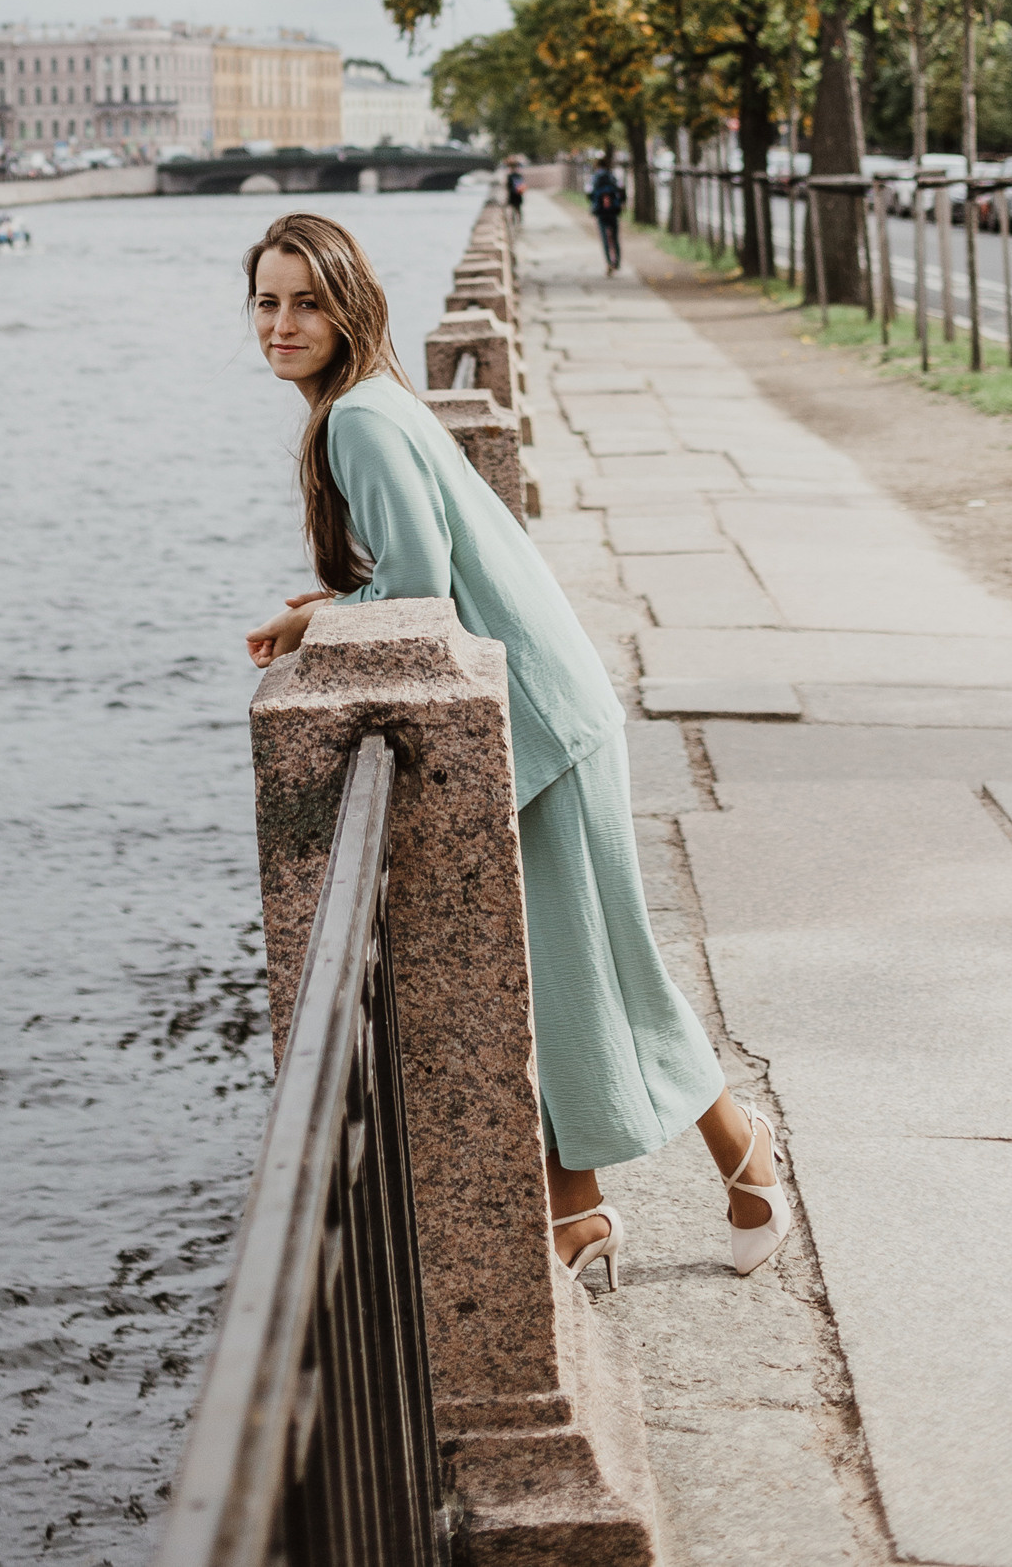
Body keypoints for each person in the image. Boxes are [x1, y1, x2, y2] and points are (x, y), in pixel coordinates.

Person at [242, 211, 791, 1293]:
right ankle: (579, 1206)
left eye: (305, 300)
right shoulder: (369, 404)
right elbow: (414, 566)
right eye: (265, 300)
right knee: (556, 975)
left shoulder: (355, 419)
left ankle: (733, 1152)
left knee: (595, 968)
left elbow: (413, 583)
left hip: (538, 720)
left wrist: (318, 619)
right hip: (543, 705)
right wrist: (330, 602)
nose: (281, 322)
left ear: (350, 306)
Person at [586, 154, 625, 275]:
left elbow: (589, 192)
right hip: (613, 211)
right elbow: (621, 190)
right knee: (615, 237)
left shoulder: (594, 177)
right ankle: (617, 261)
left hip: (601, 211)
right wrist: (620, 203)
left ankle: (608, 261)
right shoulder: (612, 176)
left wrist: (594, 204)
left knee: (604, 237)